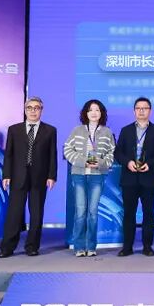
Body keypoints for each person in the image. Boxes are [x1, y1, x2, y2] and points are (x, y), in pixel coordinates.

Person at [0, 96, 57, 258]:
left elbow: (52, 154)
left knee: (36, 214)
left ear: (41, 110)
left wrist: (52, 176)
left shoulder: (50, 130)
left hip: (40, 177)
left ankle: (32, 246)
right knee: (14, 213)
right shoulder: (14, 129)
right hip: (18, 176)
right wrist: (6, 174)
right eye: (29, 108)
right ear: (25, 110)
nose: (33, 111)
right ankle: (7, 247)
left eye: (36, 108)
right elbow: (9, 154)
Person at [114, 97, 154, 257]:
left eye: (145, 108)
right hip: (129, 178)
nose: (141, 111)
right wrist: (128, 162)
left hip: (149, 178)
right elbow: (118, 152)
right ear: (134, 111)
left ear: (150, 111)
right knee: (129, 213)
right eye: (138, 108)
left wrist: (150, 164)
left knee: (148, 213)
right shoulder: (126, 130)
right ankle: (127, 247)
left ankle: (147, 246)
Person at [63, 99, 116, 257]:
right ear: (85, 113)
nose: (94, 113)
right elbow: (67, 149)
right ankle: (79, 246)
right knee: (80, 211)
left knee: (93, 212)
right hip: (79, 174)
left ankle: (91, 246)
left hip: (97, 176)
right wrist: (82, 161)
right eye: (91, 110)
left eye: (97, 110)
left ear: (101, 113)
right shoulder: (77, 130)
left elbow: (111, 153)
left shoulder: (107, 132)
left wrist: (101, 163)